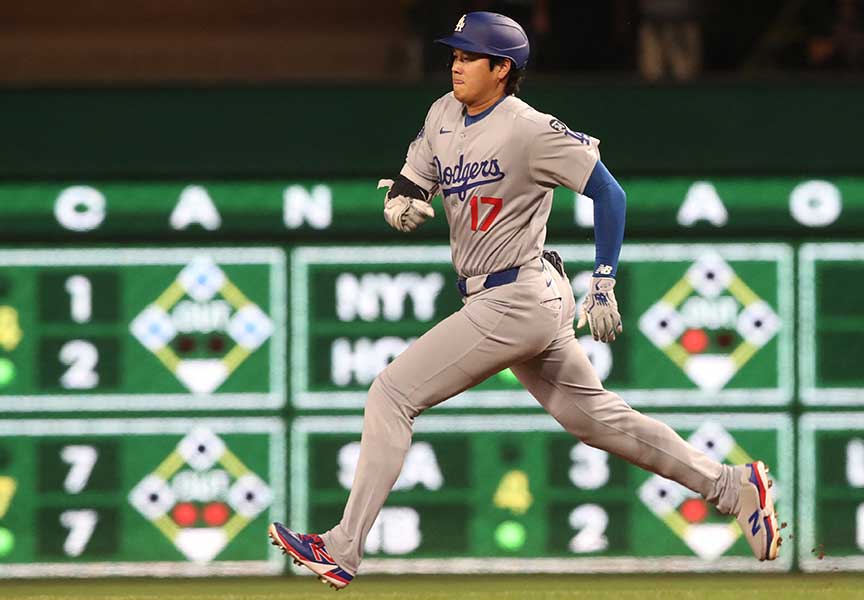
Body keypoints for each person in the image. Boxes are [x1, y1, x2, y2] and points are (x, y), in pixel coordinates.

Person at [269, 11, 782, 590]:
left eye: (468, 55)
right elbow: (414, 182)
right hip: (513, 298)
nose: (455, 63)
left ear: (502, 68)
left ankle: (341, 547)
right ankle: (731, 487)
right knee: (599, 421)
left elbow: (609, 193)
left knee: (391, 393)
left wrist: (605, 280)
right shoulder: (442, 113)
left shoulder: (529, 128)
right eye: (455, 53)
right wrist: (400, 205)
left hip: (515, 296)